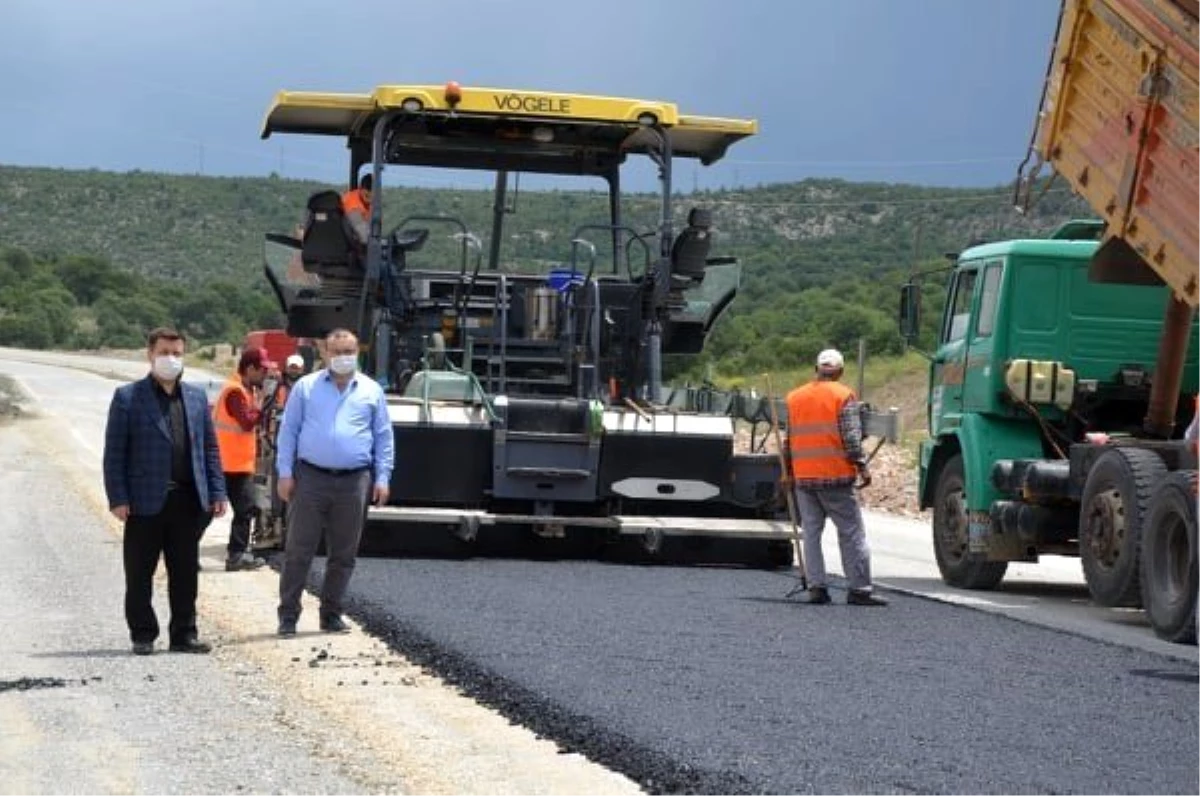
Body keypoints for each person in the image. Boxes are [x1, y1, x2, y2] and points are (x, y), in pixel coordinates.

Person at [103, 327, 229, 655]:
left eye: (176, 353)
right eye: (163, 352)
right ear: (150, 354)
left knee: (185, 573)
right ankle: (143, 634)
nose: (170, 359)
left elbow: (210, 450)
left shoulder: (197, 398)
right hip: (144, 502)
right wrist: (118, 497)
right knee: (140, 573)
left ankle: (183, 634)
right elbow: (114, 453)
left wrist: (217, 492)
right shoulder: (128, 398)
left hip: (188, 501)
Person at [274, 328, 394, 636]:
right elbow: (288, 432)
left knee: (343, 553)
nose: (344, 357)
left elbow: (383, 436)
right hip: (310, 478)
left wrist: (382, 477)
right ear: (325, 353)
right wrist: (284, 473)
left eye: (350, 351)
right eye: (337, 351)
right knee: (299, 550)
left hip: (355, 480)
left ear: (358, 352)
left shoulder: (371, 391)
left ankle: (331, 614)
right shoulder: (306, 387)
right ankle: (288, 616)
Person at [785, 348, 887, 606]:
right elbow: (851, 438)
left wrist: (787, 472)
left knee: (811, 533)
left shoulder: (794, 398)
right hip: (836, 477)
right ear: (840, 372)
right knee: (851, 533)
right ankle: (859, 590)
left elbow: (789, 441)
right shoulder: (843, 395)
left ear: (816, 369)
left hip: (804, 478)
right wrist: (862, 466)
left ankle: (817, 588)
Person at [213, 346, 276, 571]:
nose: (265, 375)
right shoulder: (235, 392)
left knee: (245, 508)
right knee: (206, 511)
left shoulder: (246, 389)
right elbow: (247, 422)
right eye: (262, 370)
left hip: (237, 464)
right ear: (250, 369)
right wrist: (263, 404)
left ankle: (236, 556)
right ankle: (185, 553)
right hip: (226, 463)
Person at [340, 173, 373, 246]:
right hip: (347, 244)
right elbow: (364, 236)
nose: (370, 194)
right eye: (368, 190)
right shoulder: (352, 203)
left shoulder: (370, 203)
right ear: (360, 188)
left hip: (354, 240)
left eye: (372, 191)